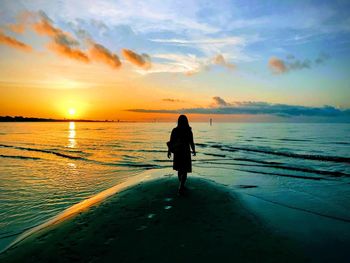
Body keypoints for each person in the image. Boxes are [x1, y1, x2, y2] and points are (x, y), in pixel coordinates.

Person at [167, 115, 196, 195]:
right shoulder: (188, 131)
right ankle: (181, 186)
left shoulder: (175, 130)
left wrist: (169, 151)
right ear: (186, 121)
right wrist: (193, 150)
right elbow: (191, 142)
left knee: (180, 169)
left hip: (178, 152)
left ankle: (181, 185)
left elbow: (171, 142)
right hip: (185, 152)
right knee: (185, 170)